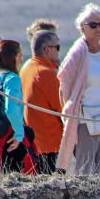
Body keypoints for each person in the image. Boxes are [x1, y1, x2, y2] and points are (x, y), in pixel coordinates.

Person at [58, 3, 100, 176]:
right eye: (93, 25)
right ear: (82, 27)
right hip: (86, 119)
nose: (98, 29)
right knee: (85, 166)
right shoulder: (78, 53)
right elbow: (64, 80)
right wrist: (71, 108)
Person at [0, 40, 34, 179]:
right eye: (20, 54)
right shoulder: (13, 78)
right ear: (14, 57)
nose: (22, 57)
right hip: (8, 134)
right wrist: (19, 134)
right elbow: (11, 109)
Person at [20, 29, 64, 174]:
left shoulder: (27, 67)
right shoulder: (45, 73)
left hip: (34, 144)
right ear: (46, 49)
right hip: (49, 145)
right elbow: (62, 109)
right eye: (57, 47)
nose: (59, 51)